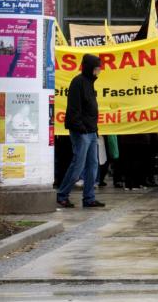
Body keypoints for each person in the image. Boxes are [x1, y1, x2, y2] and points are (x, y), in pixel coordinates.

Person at [56, 54, 105, 208]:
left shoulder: (89, 83)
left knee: (93, 166)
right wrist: (81, 128)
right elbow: (74, 109)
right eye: (97, 68)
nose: (99, 71)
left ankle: (89, 198)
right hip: (81, 132)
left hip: (90, 131)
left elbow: (89, 109)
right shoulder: (78, 82)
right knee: (78, 166)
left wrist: (93, 129)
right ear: (90, 68)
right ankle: (62, 195)